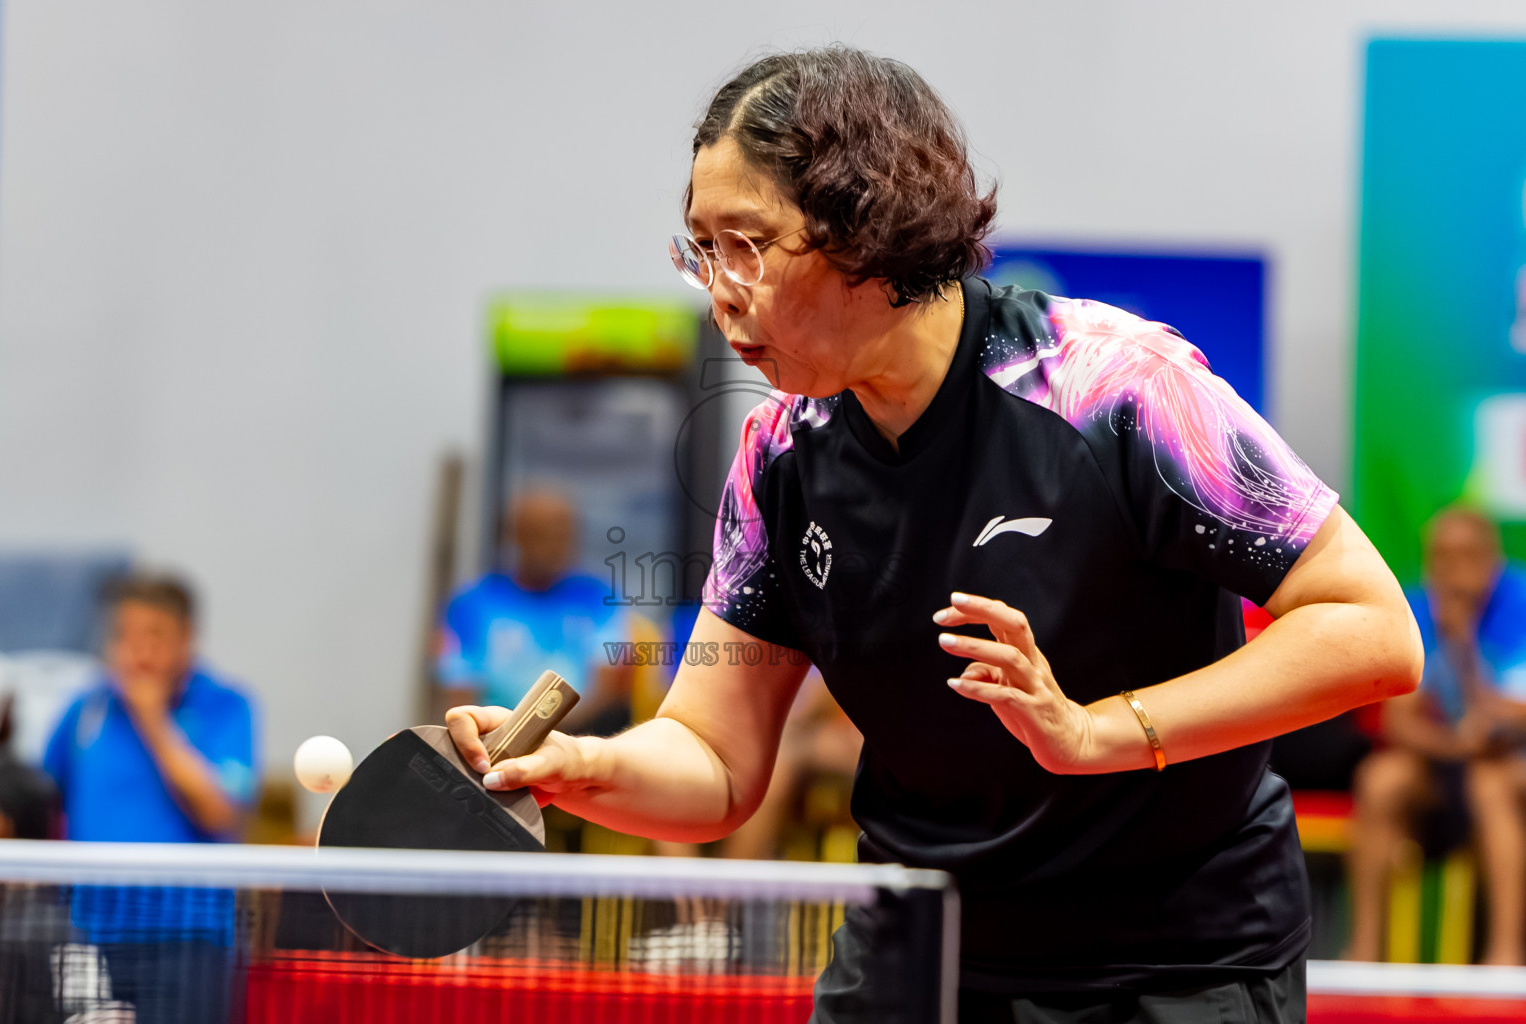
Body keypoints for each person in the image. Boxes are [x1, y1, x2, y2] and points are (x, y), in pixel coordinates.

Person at [447, 47, 1421, 1023]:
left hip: (1171, 960)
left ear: (866, 231)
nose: (721, 288)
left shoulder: (1115, 391)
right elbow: (717, 757)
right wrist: (585, 766)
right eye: (702, 248)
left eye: (747, 244)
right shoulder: (780, 456)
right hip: (920, 944)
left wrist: (1096, 734)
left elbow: (1372, 630)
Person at [43, 574, 256, 1024]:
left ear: (186, 640)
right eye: (124, 636)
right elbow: (40, 797)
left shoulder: (227, 706)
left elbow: (220, 811)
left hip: (189, 937)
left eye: (154, 636)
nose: (137, 652)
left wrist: (151, 716)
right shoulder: (85, 711)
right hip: (90, 936)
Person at [1346, 508, 1526, 965]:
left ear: (1492, 557)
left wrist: (1461, 640)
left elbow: (1511, 715)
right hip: (1440, 764)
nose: (1452, 568)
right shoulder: (1415, 606)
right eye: (1441, 557)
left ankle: (1504, 953)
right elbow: (1397, 721)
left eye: (1465, 555)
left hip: (1503, 768)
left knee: (1489, 783)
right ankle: (1365, 949)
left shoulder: (1517, 604)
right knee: (1380, 779)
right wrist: (1454, 745)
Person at [437, 489, 632, 736]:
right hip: (493, 739)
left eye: (564, 536)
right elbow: (459, 690)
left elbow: (610, 685)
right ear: (516, 535)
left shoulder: (599, 596)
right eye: (542, 535)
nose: (555, 547)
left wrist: (546, 736)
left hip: (577, 739)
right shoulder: (471, 604)